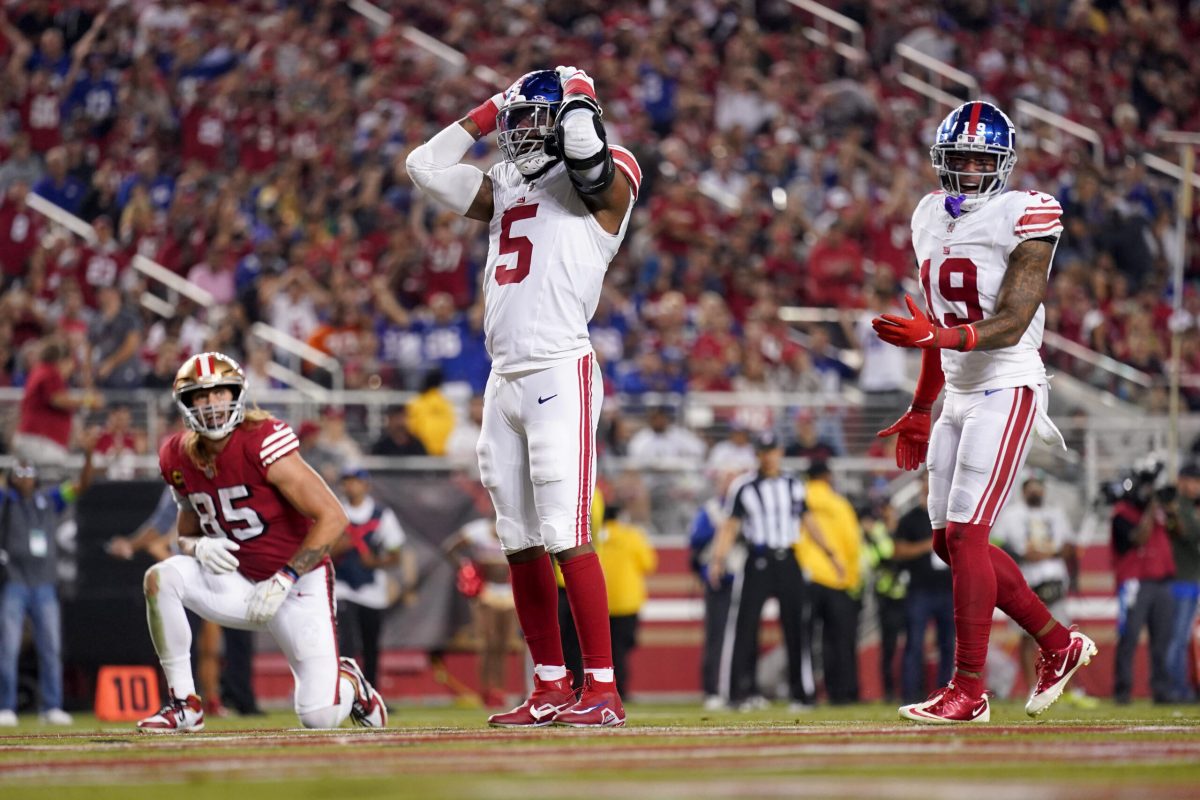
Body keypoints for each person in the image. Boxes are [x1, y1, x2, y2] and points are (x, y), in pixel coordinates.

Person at [407, 64, 641, 728]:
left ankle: (601, 688)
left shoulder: (606, 171)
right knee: (518, 539)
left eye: (530, 118)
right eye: (515, 122)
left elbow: (594, 164)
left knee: (566, 531)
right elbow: (424, 165)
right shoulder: (509, 183)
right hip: (502, 375)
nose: (520, 132)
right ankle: (548, 685)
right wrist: (490, 107)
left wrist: (578, 99)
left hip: (559, 367)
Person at [873, 100, 1096, 723]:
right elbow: (931, 325)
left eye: (981, 159)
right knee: (947, 542)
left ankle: (969, 689)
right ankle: (1058, 643)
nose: (970, 170)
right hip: (960, 389)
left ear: (1003, 163)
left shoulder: (1027, 213)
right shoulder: (925, 216)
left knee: (970, 535)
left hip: (1007, 381)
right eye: (960, 158)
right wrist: (921, 408)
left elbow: (1012, 320)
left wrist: (936, 343)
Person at [137, 352, 386, 732]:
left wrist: (286, 575)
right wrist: (198, 547)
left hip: (298, 583)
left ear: (235, 395)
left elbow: (333, 517)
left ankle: (351, 683)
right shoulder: (177, 455)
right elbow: (186, 535)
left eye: (219, 393)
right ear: (186, 404)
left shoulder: (261, 441)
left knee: (318, 716)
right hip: (237, 581)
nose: (211, 405)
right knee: (161, 577)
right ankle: (184, 703)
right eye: (200, 397)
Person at [107, 487, 262, 717]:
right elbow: (160, 536)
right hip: (195, 573)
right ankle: (183, 699)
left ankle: (215, 700)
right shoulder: (182, 496)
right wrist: (175, 568)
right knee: (185, 644)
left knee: (212, 647)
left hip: (227, 569)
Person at [708, 432, 836, 711]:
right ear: (758, 454)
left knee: (796, 627)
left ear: (779, 452)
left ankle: (802, 694)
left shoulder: (793, 484)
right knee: (744, 626)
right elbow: (730, 525)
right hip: (758, 558)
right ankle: (738, 692)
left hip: (788, 557)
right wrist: (718, 559)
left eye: (773, 450)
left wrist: (830, 553)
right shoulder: (743, 486)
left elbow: (808, 519)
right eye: (764, 451)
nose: (769, 456)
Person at [0, 430, 97, 726]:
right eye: (20, 475)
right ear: (12, 478)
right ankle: (6, 706)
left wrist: (89, 455)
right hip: (15, 581)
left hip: (44, 583)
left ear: (36, 477)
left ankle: (51, 705)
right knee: (7, 646)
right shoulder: (6, 501)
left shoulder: (49, 499)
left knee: (50, 647)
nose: (25, 479)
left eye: (29, 474)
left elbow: (81, 485)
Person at [991, 475, 1092, 705]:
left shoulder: (1056, 513)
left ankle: (1069, 689)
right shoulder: (1011, 515)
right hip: (1026, 579)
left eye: (1039, 488)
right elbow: (996, 543)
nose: (1036, 492)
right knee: (1026, 637)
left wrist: (1051, 554)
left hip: (1053, 578)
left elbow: (1069, 544)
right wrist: (1021, 556)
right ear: (1023, 491)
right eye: (1031, 489)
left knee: (1064, 637)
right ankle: (1031, 688)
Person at [333, 466, 415, 689]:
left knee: (371, 644)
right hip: (342, 586)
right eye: (347, 481)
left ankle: (372, 692)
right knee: (346, 643)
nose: (350, 486)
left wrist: (375, 562)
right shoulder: (335, 511)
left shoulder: (381, 515)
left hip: (371, 588)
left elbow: (395, 554)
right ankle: (348, 690)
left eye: (355, 481)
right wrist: (338, 547)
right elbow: (322, 548)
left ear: (365, 485)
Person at [795, 461, 862, 705]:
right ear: (827, 476)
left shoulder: (799, 503)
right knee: (840, 641)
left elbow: (793, 539)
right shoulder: (839, 504)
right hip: (838, 579)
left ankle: (805, 692)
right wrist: (851, 578)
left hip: (807, 577)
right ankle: (842, 693)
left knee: (804, 640)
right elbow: (852, 543)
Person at [1111, 461, 1176, 704]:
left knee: (1162, 640)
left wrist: (1168, 507)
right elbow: (1139, 537)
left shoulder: (1159, 512)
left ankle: (1162, 690)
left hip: (1161, 582)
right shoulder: (1121, 514)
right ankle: (1122, 690)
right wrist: (1152, 509)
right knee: (1129, 638)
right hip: (1134, 584)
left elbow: (1176, 531)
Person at [893, 478, 956, 705]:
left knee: (948, 645)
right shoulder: (910, 519)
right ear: (921, 485)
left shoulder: (952, 517)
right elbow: (898, 551)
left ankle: (945, 694)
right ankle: (910, 694)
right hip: (920, 590)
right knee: (915, 643)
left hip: (948, 590)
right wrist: (927, 544)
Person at [445, 517, 517, 708]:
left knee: (503, 645)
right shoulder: (477, 530)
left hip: (510, 593)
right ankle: (486, 689)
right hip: (487, 592)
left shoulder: (516, 530)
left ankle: (499, 690)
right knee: (488, 643)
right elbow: (450, 548)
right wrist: (465, 569)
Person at [688, 468, 743, 709]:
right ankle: (712, 689)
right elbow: (695, 544)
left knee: (743, 637)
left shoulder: (746, 509)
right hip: (719, 581)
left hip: (742, 580)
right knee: (716, 636)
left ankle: (740, 688)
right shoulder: (711, 510)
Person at [12, 337, 102, 474]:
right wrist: (88, 400)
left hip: (37, 441)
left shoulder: (42, 371)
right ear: (62, 360)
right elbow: (57, 399)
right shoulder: (50, 372)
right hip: (40, 442)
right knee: (48, 485)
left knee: (35, 483)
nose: (72, 369)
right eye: (71, 363)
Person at [594, 505, 657, 699]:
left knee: (603, 649)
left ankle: (604, 686)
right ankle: (621, 688)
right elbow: (649, 564)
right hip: (627, 601)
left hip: (601, 601)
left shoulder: (595, 539)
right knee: (622, 648)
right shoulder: (632, 536)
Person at [1167, 462, 1200, 702]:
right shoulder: (1177, 506)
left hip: (1191, 578)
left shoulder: (1188, 506)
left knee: (1183, 639)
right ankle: (1178, 689)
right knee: (1177, 639)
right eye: (1194, 480)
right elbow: (1188, 533)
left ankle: (1183, 687)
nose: (1197, 486)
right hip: (1182, 580)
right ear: (1182, 480)